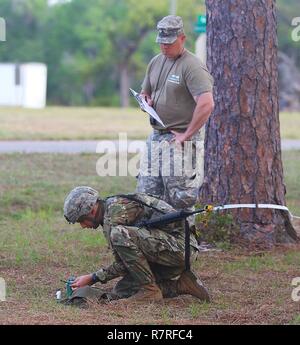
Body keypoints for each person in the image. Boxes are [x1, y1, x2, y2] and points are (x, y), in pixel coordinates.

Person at [63, 186, 210, 304]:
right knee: (122, 291)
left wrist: (93, 277)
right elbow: (130, 260)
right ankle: (182, 285)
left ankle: (149, 290)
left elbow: (123, 264)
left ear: (92, 210)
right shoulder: (110, 208)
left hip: (180, 250)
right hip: (171, 251)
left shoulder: (114, 215)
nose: (82, 226)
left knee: (119, 234)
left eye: (81, 220)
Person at [136, 15, 214, 211]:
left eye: (169, 43)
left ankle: (186, 239)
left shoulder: (192, 66)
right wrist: (145, 99)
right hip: (156, 136)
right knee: (147, 194)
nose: (164, 47)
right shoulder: (155, 62)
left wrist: (186, 135)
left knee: (180, 198)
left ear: (182, 38)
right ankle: (155, 238)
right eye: (161, 42)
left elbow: (206, 104)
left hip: (181, 139)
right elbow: (146, 91)